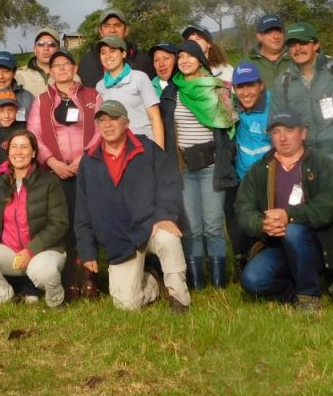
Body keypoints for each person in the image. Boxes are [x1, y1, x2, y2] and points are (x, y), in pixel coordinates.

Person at [274, 21, 333, 309]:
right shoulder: (285, 80)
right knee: (313, 225)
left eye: (304, 42)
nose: (298, 48)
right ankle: (317, 284)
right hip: (307, 164)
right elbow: (279, 125)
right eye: (293, 44)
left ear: (316, 44)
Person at [75, 100, 190, 312]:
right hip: (119, 239)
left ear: (126, 123)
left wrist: (164, 215)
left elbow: (170, 185)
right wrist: (87, 250)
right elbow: (82, 211)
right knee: (126, 305)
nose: (107, 125)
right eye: (102, 120)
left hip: (151, 226)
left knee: (169, 238)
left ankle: (179, 299)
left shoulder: (148, 150)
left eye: (113, 119)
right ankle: (153, 281)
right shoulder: (88, 162)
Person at [235, 112, 333, 311]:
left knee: (294, 230)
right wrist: (262, 224)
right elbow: (243, 208)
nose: (283, 138)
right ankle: (294, 292)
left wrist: (289, 215)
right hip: (275, 244)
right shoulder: (260, 170)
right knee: (252, 281)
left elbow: (330, 205)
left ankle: (308, 296)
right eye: (276, 132)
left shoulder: (322, 165)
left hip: (316, 243)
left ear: (303, 133)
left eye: (289, 130)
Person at [162, 40, 237, 289]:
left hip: (211, 167)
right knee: (191, 227)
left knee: (213, 225)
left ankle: (218, 284)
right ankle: (196, 283)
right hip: (183, 168)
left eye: (189, 56)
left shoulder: (217, 88)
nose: (184, 61)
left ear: (200, 59)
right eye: (180, 56)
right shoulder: (171, 92)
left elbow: (229, 128)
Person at [27, 48, 100, 299]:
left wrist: (86, 156)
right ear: (50, 71)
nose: (61, 68)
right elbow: (33, 134)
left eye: (66, 64)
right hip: (56, 172)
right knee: (65, 223)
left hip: (87, 168)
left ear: (75, 68)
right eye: (56, 65)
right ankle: (69, 275)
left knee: (87, 220)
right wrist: (52, 161)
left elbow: (103, 128)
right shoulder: (42, 100)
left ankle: (90, 275)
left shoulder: (92, 95)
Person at [0, 130, 69, 307]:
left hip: (43, 250)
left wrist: (31, 249)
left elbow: (59, 224)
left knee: (43, 272)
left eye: (24, 147)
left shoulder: (49, 182)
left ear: (33, 153)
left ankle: (55, 301)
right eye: (14, 147)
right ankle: (4, 296)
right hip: (11, 251)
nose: (18, 152)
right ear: (8, 153)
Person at [225, 62, 273, 274]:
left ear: (261, 86)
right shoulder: (231, 107)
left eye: (250, 86)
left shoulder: (274, 104)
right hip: (242, 177)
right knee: (239, 220)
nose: (245, 92)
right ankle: (242, 261)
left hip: (271, 177)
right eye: (240, 87)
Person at [93, 36, 164, 148]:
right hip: (118, 149)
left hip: (144, 146)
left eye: (112, 51)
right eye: (103, 53)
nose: (107, 56)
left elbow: (155, 118)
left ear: (123, 54)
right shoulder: (100, 86)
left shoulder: (139, 78)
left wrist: (160, 153)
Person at [75, 10, 155, 91]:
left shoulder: (144, 61)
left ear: (126, 30)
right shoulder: (86, 61)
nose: (112, 30)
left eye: (117, 25)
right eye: (107, 26)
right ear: (100, 31)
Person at [247, 15, 290, 91]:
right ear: (259, 37)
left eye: (279, 31)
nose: (276, 37)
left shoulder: (297, 58)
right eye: (269, 32)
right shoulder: (247, 64)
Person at [15, 27, 60, 98]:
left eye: (51, 44)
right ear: (35, 49)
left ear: (58, 49)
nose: (46, 49)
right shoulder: (19, 75)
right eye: (41, 44)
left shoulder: (70, 75)